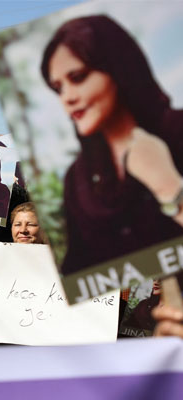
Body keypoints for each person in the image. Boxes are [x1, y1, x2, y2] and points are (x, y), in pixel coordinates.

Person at [41, 15, 183, 275]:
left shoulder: (178, 130)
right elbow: (78, 273)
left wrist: (168, 186)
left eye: (78, 77)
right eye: (58, 88)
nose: (67, 98)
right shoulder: (78, 179)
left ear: (118, 68)